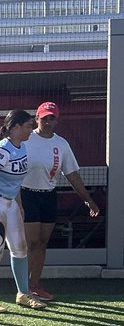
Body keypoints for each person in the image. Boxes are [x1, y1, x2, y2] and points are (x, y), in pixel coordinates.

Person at [22, 102, 101, 300]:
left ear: (57, 120)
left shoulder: (61, 144)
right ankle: (23, 288)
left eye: (52, 118)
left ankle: (35, 284)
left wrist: (88, 201)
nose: (48, 122)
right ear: (37, 118)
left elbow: (72, 175)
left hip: (48, 195)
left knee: (41, 242)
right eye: (45, 118)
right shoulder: (25, 138)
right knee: (29, 243)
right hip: (25, 195)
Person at [0, 109, 46, 312]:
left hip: (11, 205)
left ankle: (23, 294)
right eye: (27, 126)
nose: (31, 129)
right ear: (15, 127)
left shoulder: (22, 147)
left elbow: (15, 182)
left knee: (20, 248)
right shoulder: (1, 150)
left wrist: (19, 204)